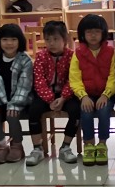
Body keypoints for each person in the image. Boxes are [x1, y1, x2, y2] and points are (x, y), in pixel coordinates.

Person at [29, 20, 80, 165]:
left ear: (65, 40)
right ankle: (37, 148)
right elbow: (39, 81)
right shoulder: (41, 56)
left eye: (56, 39)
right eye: (48, 39)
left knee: (76, 110)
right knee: (33, 110)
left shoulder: (72, 56)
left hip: (66, 95)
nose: (51, 43)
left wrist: (63, 98)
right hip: (46, 96)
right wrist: (50, 99)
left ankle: (65, 147)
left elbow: (73, 79)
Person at [69, 13, 115, 167]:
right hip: (86, 95)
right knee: (86, 112)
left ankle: (102, 144)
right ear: (83, 34)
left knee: (103, 111)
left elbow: (113, 76)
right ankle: (89, 144)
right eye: (89, 32)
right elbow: (74, 78)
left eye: (96, 31)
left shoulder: (110, 52)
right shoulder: (78, 53)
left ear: (103, 33)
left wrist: (106, 95)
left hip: (106, 94)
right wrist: (83, 96)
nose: (93, 35)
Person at [0, 23, 34, 165]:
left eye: (13, 39)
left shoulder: (25, 60)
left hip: (21, 101)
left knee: (12, 115)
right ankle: (2, 146)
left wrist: (14, 104)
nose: (9, 43)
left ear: (20, 41)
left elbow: (24, 86)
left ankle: (17, 146)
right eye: (5, 39)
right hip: (0, 101)